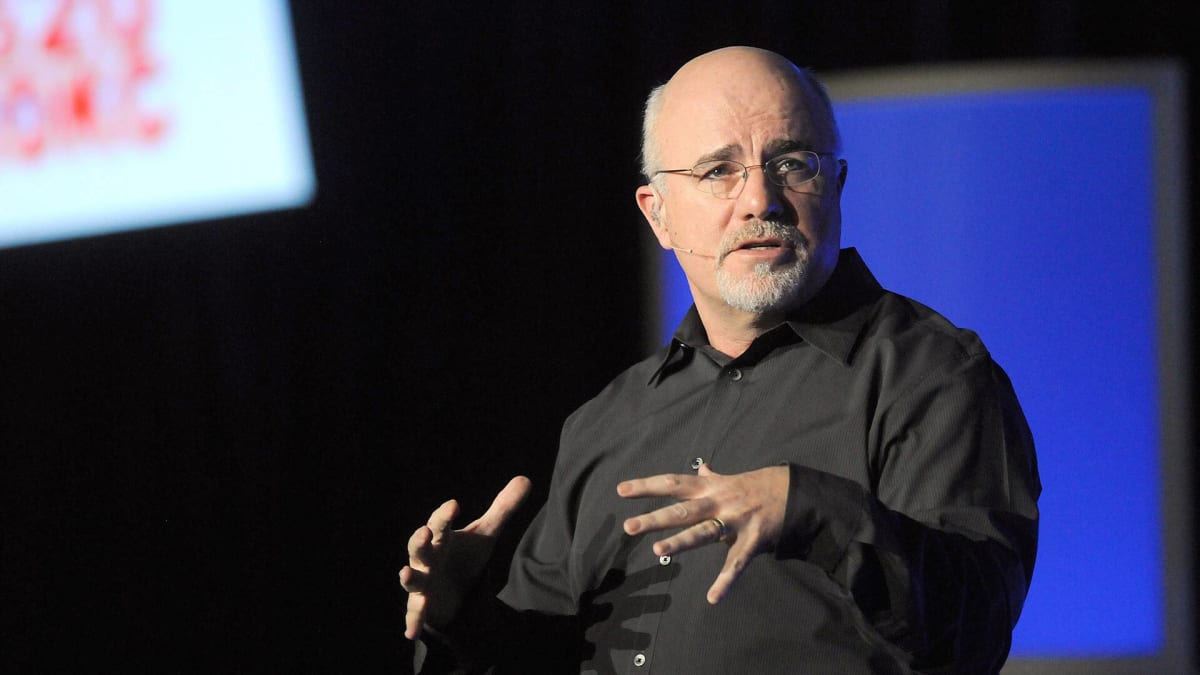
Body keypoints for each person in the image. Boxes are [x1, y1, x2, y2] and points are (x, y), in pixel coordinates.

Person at [400, 46, 1040, 674]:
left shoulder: (931, 374)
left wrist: (811, 507)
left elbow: (973, 635)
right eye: (717, 171)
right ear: (659, 216)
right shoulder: (607, 420)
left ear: (837, 186)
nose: (761, 200)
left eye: (792, 163)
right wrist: (460, 620)